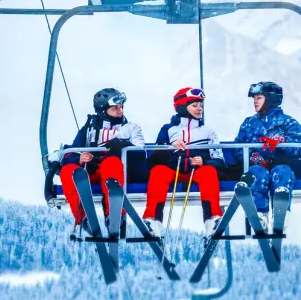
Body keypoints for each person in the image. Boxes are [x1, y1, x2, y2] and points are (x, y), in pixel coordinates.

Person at [55, 88, 145, 231]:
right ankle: (83, 219)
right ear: (103, 111)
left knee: (111, 163)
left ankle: (114, 216)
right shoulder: (88, 130)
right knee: (68, 171)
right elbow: (71, 154)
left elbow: (140, 154)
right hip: (91, 172)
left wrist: (124, 144)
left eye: (121, 107)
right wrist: (80, 159)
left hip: (117, 172)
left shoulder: (131, 128)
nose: (120, 111)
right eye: (115, 108)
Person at [145, 88, 230, 236]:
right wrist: (170, 148)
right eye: (194, 105)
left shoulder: (208, 131)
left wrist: (204, 161)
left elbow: (220, 161)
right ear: (183, 107)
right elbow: (154, 159)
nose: (199, 109)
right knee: (158, 172)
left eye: (200, 105)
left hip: (196, 171)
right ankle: (153, 220)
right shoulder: (168, 129)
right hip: (173, 169)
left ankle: (212, 219)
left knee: (208, 172)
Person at [232, 81, 301, 227]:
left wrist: (283, 142)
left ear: (270, 99)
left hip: (281, 164)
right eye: (254, 98)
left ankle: (281, 212)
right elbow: (237, 148)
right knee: (257, 173)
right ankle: (260, 214)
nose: (255, 101)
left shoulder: (287, 122)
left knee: (282, 172)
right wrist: (252, 157)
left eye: (259, 98)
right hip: (258, 166)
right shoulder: (249, 123)